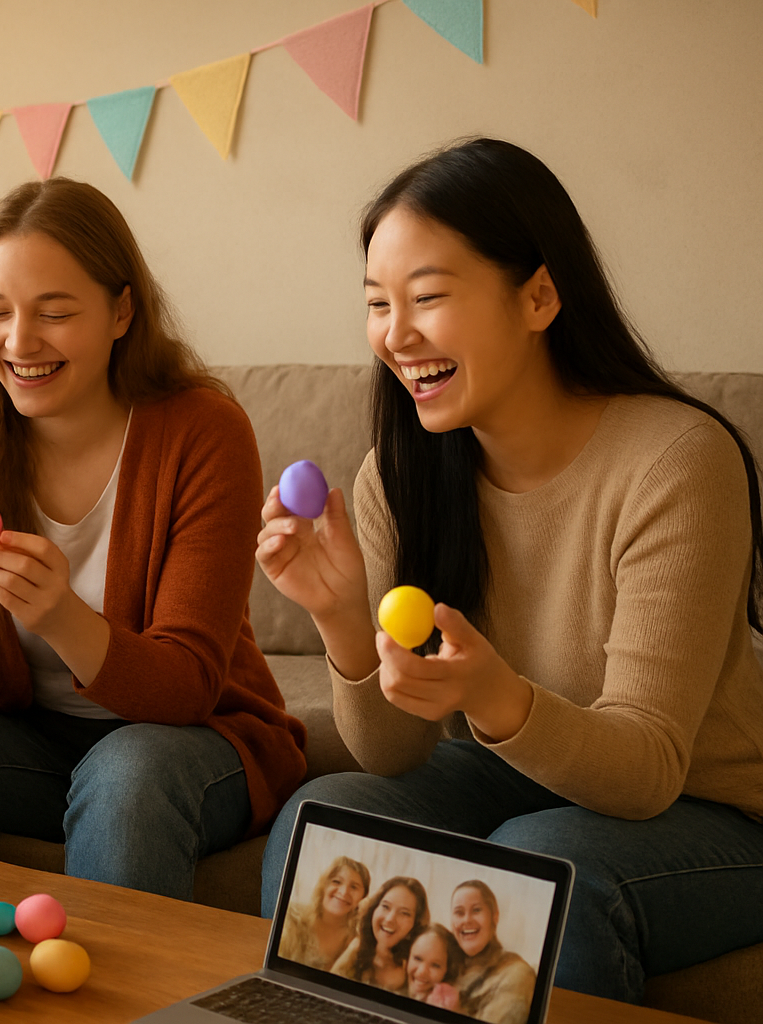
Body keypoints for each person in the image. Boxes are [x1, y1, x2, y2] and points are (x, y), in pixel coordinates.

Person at [256, 136, 763, 1004]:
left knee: (539, 862)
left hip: (707, 810)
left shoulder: (677, 461)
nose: (396, 334)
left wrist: (494, 695)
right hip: (515, 781)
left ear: (538, 295)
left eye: (428, 297)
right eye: (378, 303)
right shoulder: (401, 472)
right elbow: (390, 753)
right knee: (323, 820)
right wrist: (343, 619)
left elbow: (646, 770)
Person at [0, 177, 307, 898]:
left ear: (122, 311)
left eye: (54, 313)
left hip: (191, 740)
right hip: (28, 740)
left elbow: (190, 684)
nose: (19, 341)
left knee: (127, 771)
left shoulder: (202, 432)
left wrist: (59, 615)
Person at [449, 881, 535, 1024]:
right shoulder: (445, 965)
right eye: (459, 912)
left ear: (494, 917)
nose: (467, 920)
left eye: (476, 910)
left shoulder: (516, 973)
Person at [331, 876, 429, 993]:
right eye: (385, 906)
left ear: (416, 924)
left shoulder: (417, 971)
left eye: (404, 913)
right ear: (374, 909)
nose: (389, 919)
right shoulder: (355, 949)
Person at [277, 855, 371, 971]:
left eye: (354, 887)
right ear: (324, 885)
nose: (343, 892)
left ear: (363, 897)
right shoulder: (292, 917)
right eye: (336, 882)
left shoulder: (360, 938)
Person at [407, 923, 466, 1011]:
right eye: (417, 958)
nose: (422, 971)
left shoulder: (451, 1005)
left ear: (447, 970)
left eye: (435, 965)